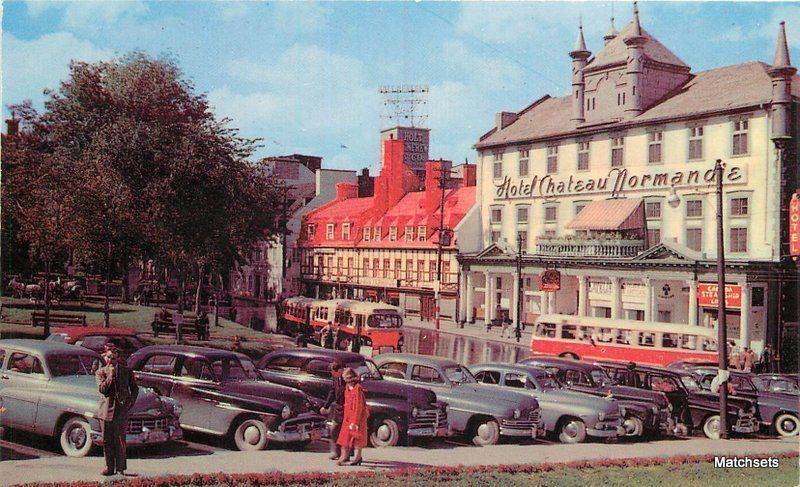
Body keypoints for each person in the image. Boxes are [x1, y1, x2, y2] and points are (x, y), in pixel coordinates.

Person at [95, 344, 139, 477]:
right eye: (108, 358)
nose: (110, 361)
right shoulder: (100, 372)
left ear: (118, 358)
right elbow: (103, 389)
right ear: (105, 357)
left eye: (113, 358)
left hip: (121, 412)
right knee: (107, 441)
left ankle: (120, 468)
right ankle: (109, 467)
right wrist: (111, 376)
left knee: (120, 441)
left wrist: (130, 403)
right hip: (106, 412)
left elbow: (135, 389)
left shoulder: (127, 371)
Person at [336, 368, 368, 466]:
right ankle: (345, 456)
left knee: (358, 437)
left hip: (357, 416)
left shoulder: (357, 388)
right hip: (348, 416)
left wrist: (355, 421)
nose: (344, 380)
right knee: (345, 437)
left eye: (345, 378)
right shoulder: (347, 388)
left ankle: (358, 457)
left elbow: (359, 405)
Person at [320, 363, 347, 461]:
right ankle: (336, 452)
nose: (332, 375)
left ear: (340, 370)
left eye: (333, 372)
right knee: (334, 429)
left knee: (345, 432)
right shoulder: (336, 378)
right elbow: (332, 392)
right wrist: (325, 406)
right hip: (338, 408)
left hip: (346, 408)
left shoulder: (347, 378)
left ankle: (346, 454)